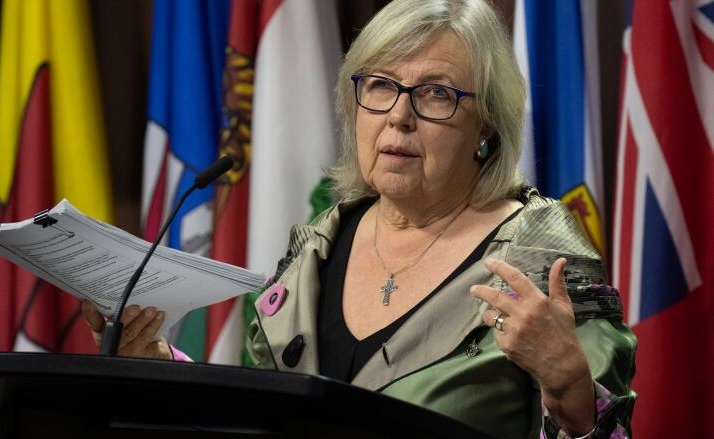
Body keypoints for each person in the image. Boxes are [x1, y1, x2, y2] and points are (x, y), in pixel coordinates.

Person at [82, 0, 637, 437]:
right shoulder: (317, 247)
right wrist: (157, 365)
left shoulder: (539, 256)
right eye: (380, 86)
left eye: (436, 94)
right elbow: (260, 411)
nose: (399, 116)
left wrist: (572, 393)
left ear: (487, 125)